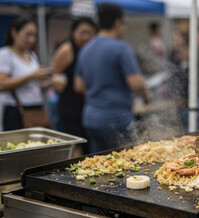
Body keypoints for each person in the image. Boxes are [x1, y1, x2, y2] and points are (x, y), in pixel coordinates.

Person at [74, 3, 149, 153]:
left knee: (99, 166)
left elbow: (79, 86)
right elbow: (135, 83)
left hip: (90, 119)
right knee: (124, 167)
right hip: (117, 120)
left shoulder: (85, 49)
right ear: (117, 23)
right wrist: (147, 94)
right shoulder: (121, 48)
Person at [0, 17, 52, 131]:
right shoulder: (4, 54)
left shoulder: (31, 55)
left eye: (34, 35)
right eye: (28, 34)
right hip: (17, 111)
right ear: (14, 32)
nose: (32, 40)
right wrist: (31, 76)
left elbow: (35, 88)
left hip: (36, 109)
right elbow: (0, 85)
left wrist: (49, 81)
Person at [51, 17, 96, 155]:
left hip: (87, 106)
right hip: (70, 107)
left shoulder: (91, 50)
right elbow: (55, 76)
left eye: (89, 33)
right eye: (82, 32)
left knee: (88, 146)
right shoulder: (66, 50)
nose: (86, 37)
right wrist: (58, 82)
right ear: (73, 32)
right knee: (76, 147)